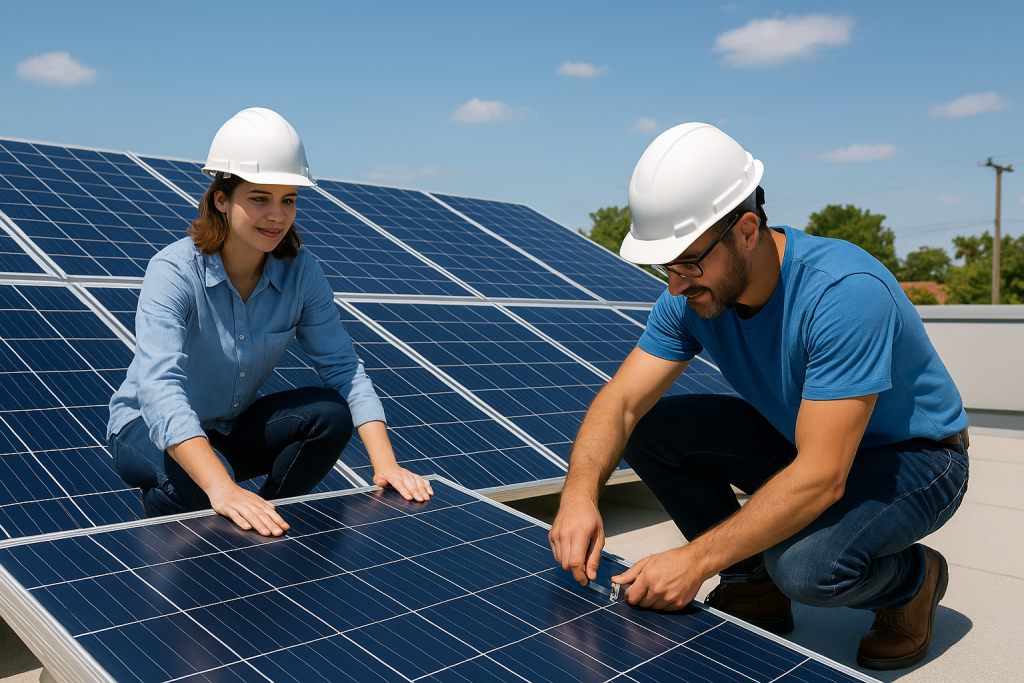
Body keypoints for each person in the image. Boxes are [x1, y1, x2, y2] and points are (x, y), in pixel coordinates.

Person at [549, 123, 969, 671]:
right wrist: (579, 495)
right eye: (665, 266)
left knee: (806, 568)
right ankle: (753, 583)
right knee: (650, 429)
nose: (675, 284)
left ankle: (913, 582)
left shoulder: (844, 293)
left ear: (746, 230)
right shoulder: (689, 295)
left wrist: (694, 560)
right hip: (808, 440)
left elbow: (822, 475)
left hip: (914, 457)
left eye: (688, 262)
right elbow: (621, 402)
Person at [107, 108, 433, 537]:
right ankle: (176, 502)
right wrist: (222, 487)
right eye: (260, 198)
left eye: (289, 200)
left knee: (329, 414)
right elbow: (159, 388)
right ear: (221, 200)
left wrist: (386, 464)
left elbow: (343, 368)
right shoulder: (173, 271)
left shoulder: (301, 272)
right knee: (209, 489)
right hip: (145, 429)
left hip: (226, 427)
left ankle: (266, 520)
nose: (278, 215)